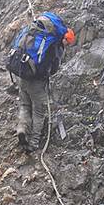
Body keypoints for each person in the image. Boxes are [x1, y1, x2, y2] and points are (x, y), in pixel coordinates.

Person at [16, 13, 75, 153]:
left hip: (22, 73)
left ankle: (22, 129)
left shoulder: (39, 34)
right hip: (36, 82)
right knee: (39, 111)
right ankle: (33, 143)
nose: (67, 44)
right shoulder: (56, 46)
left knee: (25, 104)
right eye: (68, 42)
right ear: (65, 39)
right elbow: (53, 69)